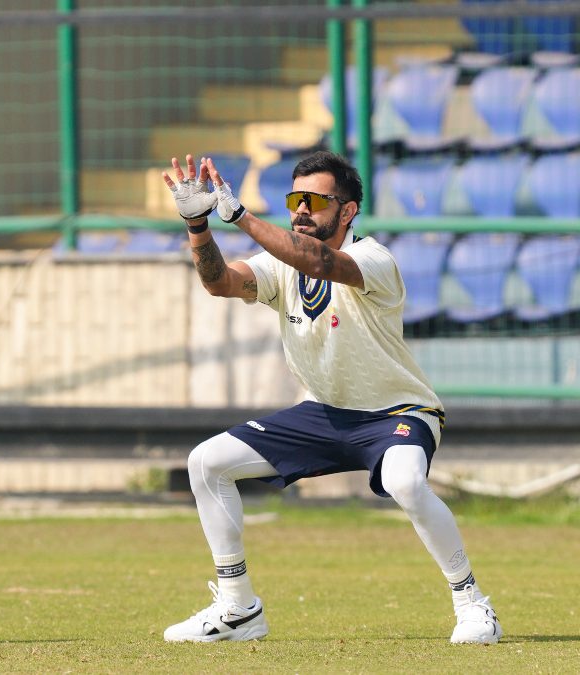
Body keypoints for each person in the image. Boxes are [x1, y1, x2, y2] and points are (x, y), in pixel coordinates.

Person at [157, 151, 501, 645]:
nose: (300, 209)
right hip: (325, 414)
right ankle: (237, 610)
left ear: (348, 211)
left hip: (398, 412)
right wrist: (197, 226)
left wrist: (239, 216)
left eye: (314, 200)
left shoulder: (373, 258)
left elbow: (319, 260)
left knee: (405, 481)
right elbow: (220, 283)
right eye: (294, 198)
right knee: (206, 462)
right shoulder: (279, 265)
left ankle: (473, 605)